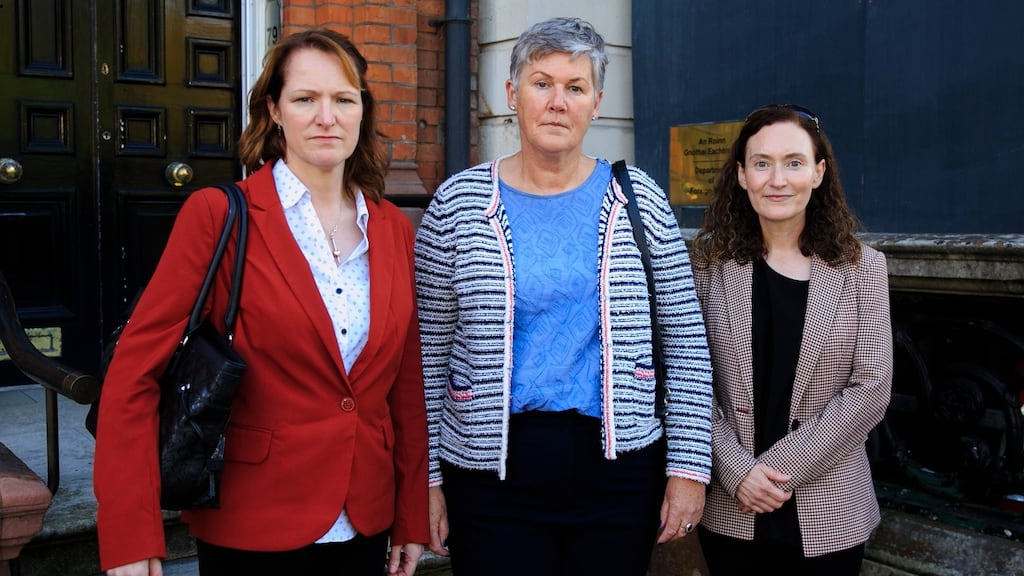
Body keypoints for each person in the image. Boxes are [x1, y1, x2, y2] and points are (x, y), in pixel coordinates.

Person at [93, 28, 429, 576]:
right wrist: (131, 535)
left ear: (361, 111)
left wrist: (411, 512)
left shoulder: (392, 230)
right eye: (305, 99)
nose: (327, 117)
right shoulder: (220, 215)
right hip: (253, 523)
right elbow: (134, 373)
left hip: (365, 516)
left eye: (344, 99)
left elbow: (404, 385)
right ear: (274, 110)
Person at [413, 17, 713, 576]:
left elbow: (686, 344)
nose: (558, 102)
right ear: (511, 94)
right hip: (488, 475)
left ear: (596, 102)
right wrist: (427, 481)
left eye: (575, 87)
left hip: (618, 472)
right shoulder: (456, 204)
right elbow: (428, 356)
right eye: (541, 82)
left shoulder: (639, 199)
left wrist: (689, 469)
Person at [689, 104, 893, 574]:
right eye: (761, 163)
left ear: (818, 173)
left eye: (794, 162)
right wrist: (739, 472)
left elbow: (871, 389)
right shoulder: (707, 267)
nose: (776, 179)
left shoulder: (863, 269)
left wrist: (780, 471)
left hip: (831, 507)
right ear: (741, 176)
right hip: (732, 507)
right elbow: (688, 379)